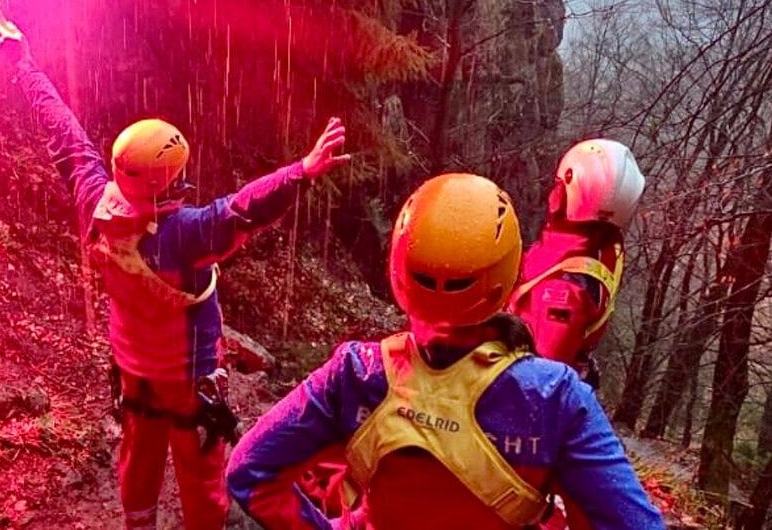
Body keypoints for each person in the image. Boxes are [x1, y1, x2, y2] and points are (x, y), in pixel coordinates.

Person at [0, 18, 350, 530]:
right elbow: (242, 210)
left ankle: (138, 524)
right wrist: (301, 171)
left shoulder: (98, 200)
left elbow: (63, 129)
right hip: (190, 377)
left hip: (134, 370)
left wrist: (24, 64)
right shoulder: (185, 234)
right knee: (202, 469)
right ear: (171, 181)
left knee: (138, 458)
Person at [226, 173, 665, 530]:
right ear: (507, 273)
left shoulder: (355, 375)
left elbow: (249, 470)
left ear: (398, 271)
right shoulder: (557, 400)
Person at [507, 139, 645, 388]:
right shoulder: (600, 248)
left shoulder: (564, 289)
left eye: (559, 186)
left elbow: (540, 375)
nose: (552, 194)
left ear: (572, 196)